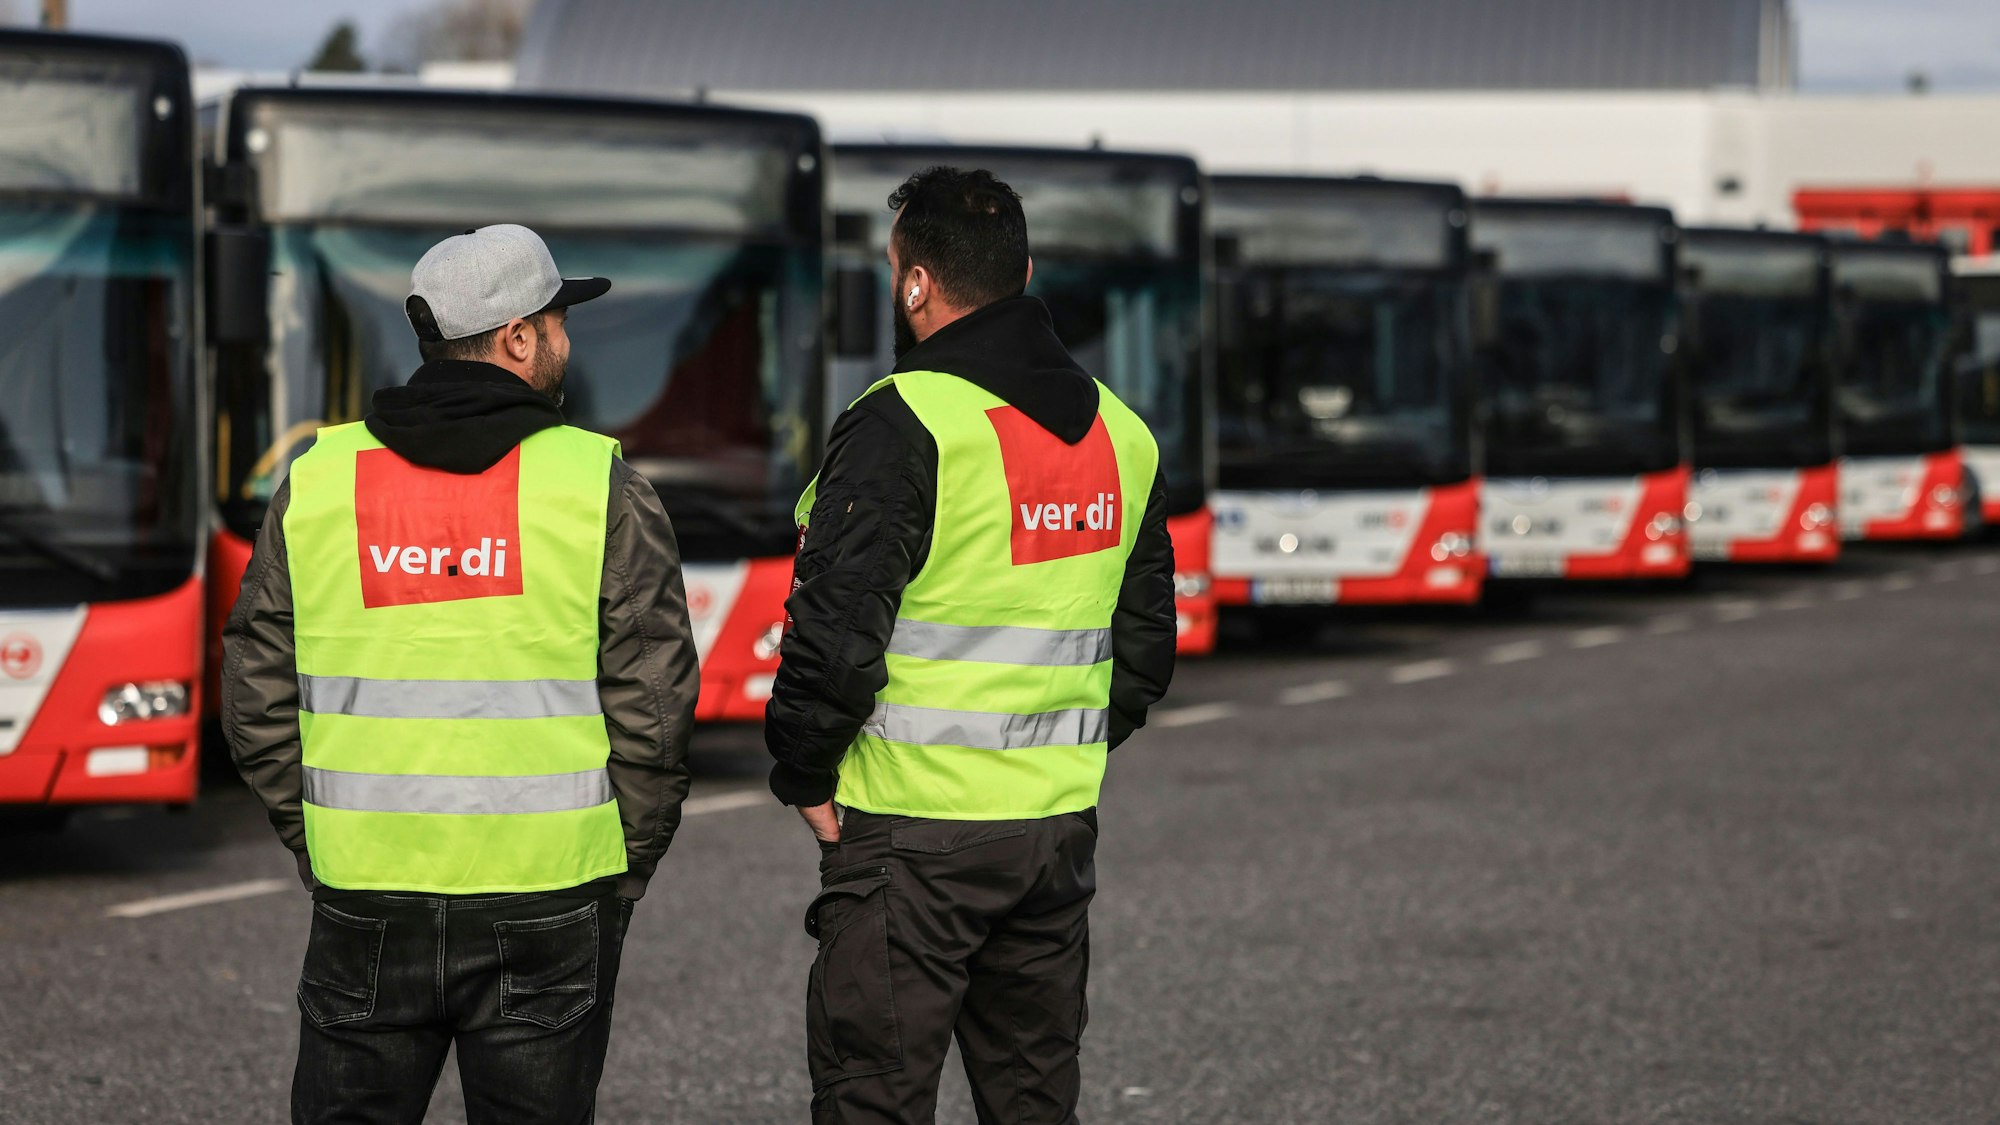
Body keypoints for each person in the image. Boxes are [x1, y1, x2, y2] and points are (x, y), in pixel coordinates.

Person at [223, 223, 699, 1125]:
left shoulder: (320, 480)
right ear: (518, 337)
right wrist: (617, 869)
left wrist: (321, 835)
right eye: (559, 320)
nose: (566, 339)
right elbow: (658, 704)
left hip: (366, 896)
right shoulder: (599, 484)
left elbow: (254, 686)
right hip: (550, 901)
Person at [766, 167, 1178, 1123]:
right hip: (1053, 834)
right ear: (1024, 270)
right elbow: (1145, 651)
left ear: (915, 284)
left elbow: (834, 635)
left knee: (876, 1098)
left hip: (910, 837)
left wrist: (804, 775)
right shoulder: (1124, 433)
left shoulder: (905, 421)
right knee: (1033, 1101)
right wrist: (1050, 755)